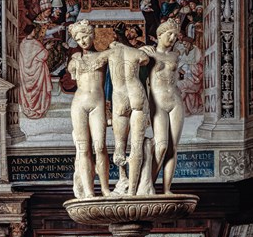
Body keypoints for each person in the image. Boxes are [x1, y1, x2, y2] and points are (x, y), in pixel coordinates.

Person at [140, 18, 184, 194]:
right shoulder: (148, 54)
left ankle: (166, 190)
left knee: (173, 147)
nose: (172, 38)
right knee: (161, 145)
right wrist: (141, 50)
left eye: (175, 35)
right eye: (169, 34)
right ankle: (147, 185)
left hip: (175, 101)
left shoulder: (175, 56)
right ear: (159, 35)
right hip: (157, 102)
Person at [67, 19, 110, 199]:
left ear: (92, 35)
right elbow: (71, 75)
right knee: (83, 149)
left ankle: (106, 189)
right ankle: (90, 192)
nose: (83, 41)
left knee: (100, 146)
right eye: (79, 38)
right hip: (79, 104)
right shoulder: (75, 60)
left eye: (85, 36)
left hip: (97, 103)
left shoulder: (104, 56)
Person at [107, 31, 151, 195]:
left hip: (120, 98)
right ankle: (133, 190)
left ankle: (122, 179)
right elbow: (145, 60)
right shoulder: (137, 52)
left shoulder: (109, 53)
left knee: (120, 146)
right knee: (136, 145)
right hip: (137, 94)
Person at [19, 24, 52, 119]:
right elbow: (43, 56)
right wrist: (47, 48)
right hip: (37, 72)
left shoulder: (23, 43)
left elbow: (23, 59)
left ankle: (29, 107)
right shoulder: (35, 44)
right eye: (34, 30)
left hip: (25, 72)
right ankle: (38, 108)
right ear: (31, 31)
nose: (35, 32)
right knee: (39, 89)